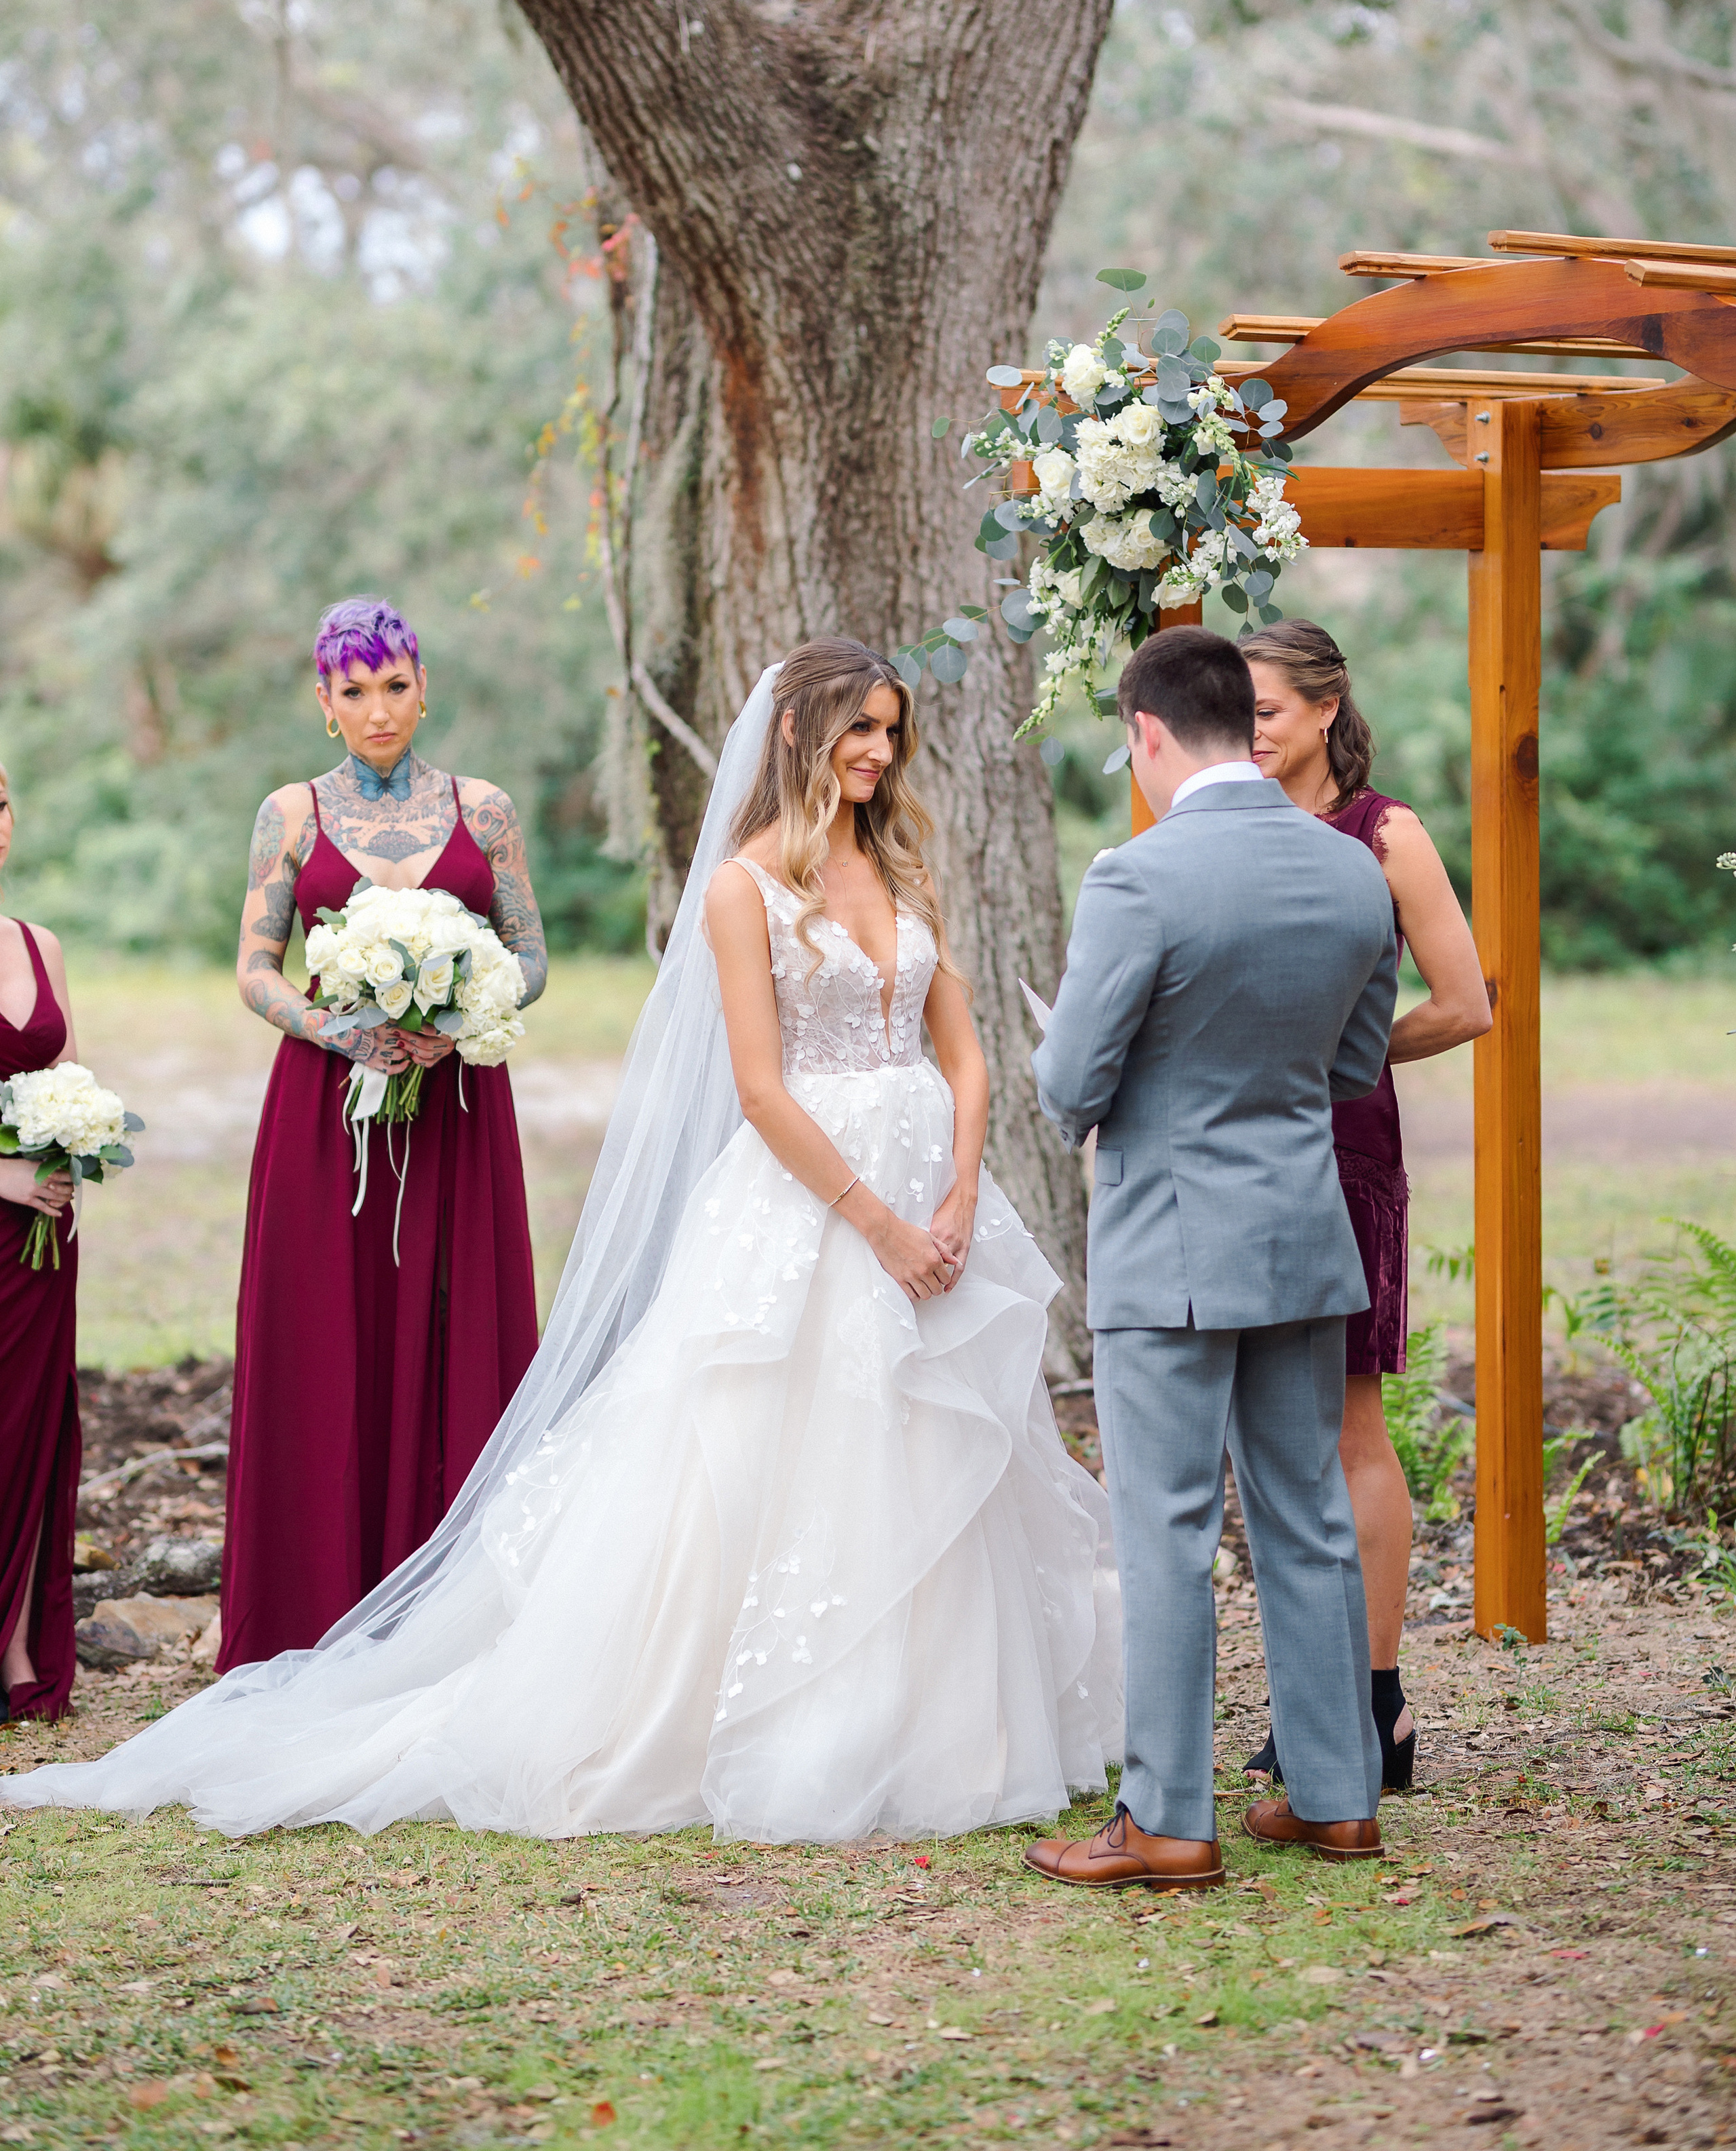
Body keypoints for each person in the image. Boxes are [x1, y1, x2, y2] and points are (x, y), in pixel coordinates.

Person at [0, 640, 1119, 1840]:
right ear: (798, 732)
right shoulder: (745, 888)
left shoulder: (904, 869)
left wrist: (957, 1192)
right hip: (821, 1202)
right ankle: (790, 1721)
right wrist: (883, 1226)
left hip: (934, 1192)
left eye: (892, 731)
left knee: (935, 1437)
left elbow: (963, 1051)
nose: (880, 753)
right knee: (804, 1438)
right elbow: (759, 1089)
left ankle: (948, 1720)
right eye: (859, 728)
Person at [1024, 625, 1397, 1892]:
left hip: (1171, 1245)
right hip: (1301, 1233)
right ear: (1248, 723)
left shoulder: (1138, 877)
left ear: (1147, 733)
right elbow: (1353, 1066)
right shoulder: (1351, 869)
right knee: (1309, 1517)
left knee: (1168, 1530)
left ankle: (1170, 1818)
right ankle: (1339, 1798)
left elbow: (1071, 1084)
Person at [217, 597, 545, 1670]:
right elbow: (255, 966)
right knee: (326, 1340)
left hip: (457, 1113)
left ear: (423, 686)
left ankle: (454, 1617)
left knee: (456, 1330)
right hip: (326, 1118)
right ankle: (314, 1609)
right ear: (325, 701)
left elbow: (531, 956)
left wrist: (464, 1015)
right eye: (353, 692)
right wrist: (338, 1030)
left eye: (395, 686)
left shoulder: (485, 812)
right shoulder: (290, 815)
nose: (378, 710)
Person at [1237, 619, 1490, 1794]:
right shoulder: (1228, 822)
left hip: (1342, 1145)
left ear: (1326, 710)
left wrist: (1344, 1053)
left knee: (1346, 1424)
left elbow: (1466, 1002)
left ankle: (1376, 1704)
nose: (1248, 733)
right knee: (1263, 1432)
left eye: (1266, 712)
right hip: (1236, 1147)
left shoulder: (1387, 833)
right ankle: (1307, 1692)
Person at [0, 764, 83, 1727]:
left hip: (39, 1236)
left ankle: (17, 1644)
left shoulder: (39, 945)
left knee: (28, 1426)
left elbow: (63, 1080)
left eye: (0, 805)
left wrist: (74, 1159)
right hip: (4, 1199)